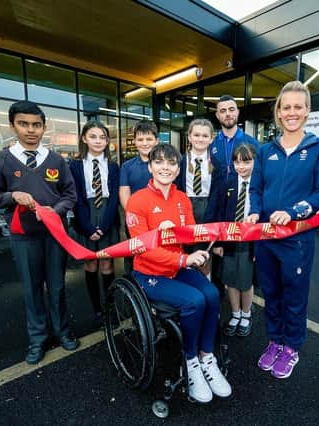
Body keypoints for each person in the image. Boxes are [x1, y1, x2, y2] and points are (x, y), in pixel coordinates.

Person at [126, 144, 232, 404]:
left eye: (172, 163)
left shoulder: (182, 198)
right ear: (150, 167)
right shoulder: (137, 200)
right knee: (194, 301)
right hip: (150, 273)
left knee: (212, 293)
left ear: (177, 168)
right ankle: (190, 361)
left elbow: (192, 232)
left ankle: (207, 356)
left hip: (178, 267)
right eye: (159, 162)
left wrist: (211, 237)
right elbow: (143, 248)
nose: (166, 167)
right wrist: (185, 258)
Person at [246, 81, 319, 379]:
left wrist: (295, 212)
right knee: (270, 293)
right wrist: (255, 212)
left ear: (307, 111)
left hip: (297, 239)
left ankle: (292, 347)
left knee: (294, 295)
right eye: (286, 107)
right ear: (278, 113)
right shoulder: (265, 150)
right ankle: (274, 341)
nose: (292, 112)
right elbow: (256, 188)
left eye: (298, 106)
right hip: (265, 237)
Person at [0, 100, 79, 364]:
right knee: (32, 288)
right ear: (12, 125)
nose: (30, 130)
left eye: (36, 125)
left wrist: (54, 210)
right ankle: (37, 339)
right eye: (23, 124)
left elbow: (70, 195)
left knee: (57, 285)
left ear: (44, 127)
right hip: (23, 235)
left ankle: (63, 332)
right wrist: (12, 195)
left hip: (55, 233)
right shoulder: (1, 160)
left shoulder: (57, 160)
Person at [69, 121, 119, 326]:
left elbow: (115, 197)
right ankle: (97, 309)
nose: (98, 141)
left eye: (102, 137)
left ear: (107, 141)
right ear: (84, 139)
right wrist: (88, 228)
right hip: (85, 215)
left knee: (107, 262)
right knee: (91, 262)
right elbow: (76, 197)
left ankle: (110, 307)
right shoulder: (75, 165)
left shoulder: (114, 166)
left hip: (107, 214)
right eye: (93, 136)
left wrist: (105, 226)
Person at [208, 143, 257, 337]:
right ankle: (235, 313)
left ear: (255, 161)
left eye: (246, 162)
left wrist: (259, 248)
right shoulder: (227, 183)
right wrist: (218, 242)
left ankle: (246, 314)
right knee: (230, 280)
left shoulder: (259, 185)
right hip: (228, 239)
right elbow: (219, 213)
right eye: (237, 162)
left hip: (249, 240)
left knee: (245, 280)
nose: (241, 166)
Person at [176, 118, 215, 278]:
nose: (200, 139)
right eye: (196, 135)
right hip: (185, 209)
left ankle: (206, 286)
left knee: (205, 255)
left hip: (207, 211)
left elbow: (218, 196)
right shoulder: (179, 162)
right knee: (184, 252)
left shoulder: (217, 164)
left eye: (205, 136)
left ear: (211, 138)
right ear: (189, 137)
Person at [119, 120, 159, 274]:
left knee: (157, 256)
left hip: (159, 220)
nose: (145, 143)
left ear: (156, 140)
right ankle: (133, 289)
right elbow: (124, 192)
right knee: (134, 256)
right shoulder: (127, 166)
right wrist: (133, 215)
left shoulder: (163, 163)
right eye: (140, 139)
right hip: (135, 221)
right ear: (134, 141)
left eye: (149, 139)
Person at [209, 95, 260, 183]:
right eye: (223, 111)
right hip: (217, 195)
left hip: (242, 194)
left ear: (237, 112)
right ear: (217, 115)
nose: (228, 114)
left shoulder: (252, 143)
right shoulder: (211, 144)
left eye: (231, 110)